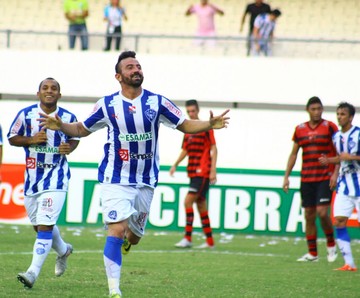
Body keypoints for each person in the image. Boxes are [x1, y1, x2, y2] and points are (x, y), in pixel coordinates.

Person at [38, 51, 229, 298]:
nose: (136, 69)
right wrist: (61, 125)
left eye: (138, 66)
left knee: (134, 237)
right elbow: (81, 129)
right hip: (115, 177)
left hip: (146, 180)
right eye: (130, 67)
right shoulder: (107, 105)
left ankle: (128, 243)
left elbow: (184, 124)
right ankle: (114, 290)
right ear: (119, 76)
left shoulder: (157, 102)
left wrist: (208, 124)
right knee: (116, 229)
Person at [7, 78, 79, 289]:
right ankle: (64, 250)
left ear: (59, 94)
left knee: (45, 226)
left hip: (56, 178)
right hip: (32, 180)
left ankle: (32, 273)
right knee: (39, 227)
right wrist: (30, 140)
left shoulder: (67, 117)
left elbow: (76, 137)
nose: (49, 91)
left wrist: (70, 148)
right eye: (45, 88)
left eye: (54, 88)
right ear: (38, 93)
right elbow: (12, 137)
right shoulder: (25, 114)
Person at [283, 96, 338, 263]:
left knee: (322, 213)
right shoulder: (300, 129)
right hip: (307, 178)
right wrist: (286, 176)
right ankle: (313, 253)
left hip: (324, 177)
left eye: (319, 109)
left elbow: (338, 152)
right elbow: (294, 154)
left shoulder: (329, 127)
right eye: (313, 109)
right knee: (308, 214)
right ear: (308, 110)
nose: (317, 112)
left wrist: (335, 173)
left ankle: (331, 244)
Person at [319, 102, 360, 271]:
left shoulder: (358, 134)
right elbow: (339, 158)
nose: (339, 117)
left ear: (350, 117)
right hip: (344, 184)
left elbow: (347, 156)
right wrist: (331, 164)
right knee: (339, 221)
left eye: (343, 114)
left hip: (359, 181)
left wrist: (351, 157)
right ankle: (349, 263)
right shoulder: (336, 137)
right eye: (338, 114)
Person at [170, 99, 216, 249]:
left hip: (202, 171)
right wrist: (175, 164)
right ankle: (210, 242)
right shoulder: (188, 130)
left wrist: (213, 170)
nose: (191, 113)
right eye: (188, 112)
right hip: (192, 171)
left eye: (193, 111)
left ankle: (187, 238)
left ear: (198, 110)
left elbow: (214, 149)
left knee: (188, 201)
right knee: (201, 204)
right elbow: (185, 150)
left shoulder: (206, 128)